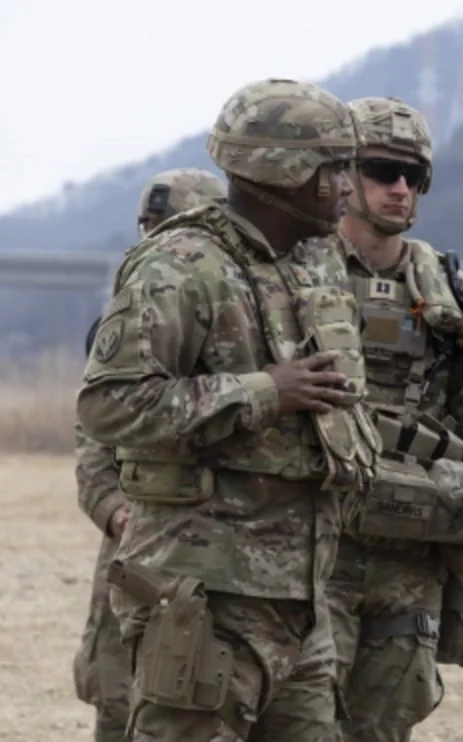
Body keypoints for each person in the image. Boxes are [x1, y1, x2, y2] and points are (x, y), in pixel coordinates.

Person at [76, 78, 380, 742]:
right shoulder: (181, 267)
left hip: (303, 598)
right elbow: (108, 405)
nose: (348, 188)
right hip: (203, 600)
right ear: (285, 171)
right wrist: (262, 392)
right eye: (334, 169)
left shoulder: (314, 261)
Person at [326, 96, 463, 742]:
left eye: (413, 176)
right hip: (318, 540)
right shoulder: (302, 274)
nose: (399, 188)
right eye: (382, 171)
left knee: (386, 723)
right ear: (344, 173)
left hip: (411, 545)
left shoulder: (448, 288)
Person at [71, 169, 226, 742]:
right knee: (116, 699)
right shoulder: (123, 323)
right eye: (150, 227)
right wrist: (117, 512)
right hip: (134, 548)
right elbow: (93, 447)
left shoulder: (243, 323)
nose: (159, 241)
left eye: (175, 227)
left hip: (221, 552)